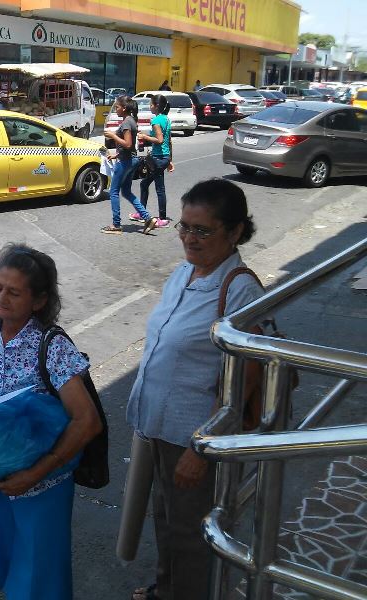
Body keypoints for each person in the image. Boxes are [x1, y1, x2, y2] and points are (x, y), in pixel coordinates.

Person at [126, 179, 264, 600]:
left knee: (192, 534)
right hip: (158, 426)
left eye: (202, 230)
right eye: (184, 226)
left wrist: (201, 447)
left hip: (193, 436)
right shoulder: (184, 272)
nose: (189, 237)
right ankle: (168, 590)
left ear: (234, 231)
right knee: (166, 520)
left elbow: (247, 375)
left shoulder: (240, 289)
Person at [0, 243, 101, 600]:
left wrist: (36, 473)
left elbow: (87, 421)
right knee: (8, 562)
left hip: (43, 484)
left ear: (39, 300)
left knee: (40, 576)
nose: (1, 298)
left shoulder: (52, 346)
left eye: (14, 292)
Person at [102, 96, 158, 235]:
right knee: (126, 192)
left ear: (124, 108)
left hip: (125, 162)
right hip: (130, 160)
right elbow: (130, 147)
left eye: (117, 107)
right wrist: (116, 155)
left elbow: (127, 144)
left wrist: (113, 136)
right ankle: (148, 218)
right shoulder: (131, 120)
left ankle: (116, 224)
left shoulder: (127, 122)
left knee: (113, 192)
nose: (116, 109)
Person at [132, 94, 174, 228]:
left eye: (150, 104)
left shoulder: (156, 121)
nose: (149, 106)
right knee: (144, 184)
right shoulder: (166, 119)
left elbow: (160, 140)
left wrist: (144, 137)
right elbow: (169, 141)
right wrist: (170, 160)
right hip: (164, 157)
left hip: (158, 159)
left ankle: (162, 219)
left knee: (159, 188)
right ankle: (142, 213)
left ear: (156, 106)